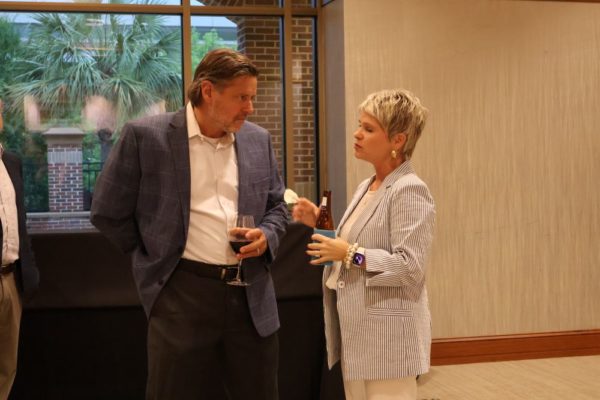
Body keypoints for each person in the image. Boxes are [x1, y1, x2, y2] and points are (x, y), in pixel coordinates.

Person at [90, 49, 288, 400]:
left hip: (251, 297)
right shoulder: (146, 137)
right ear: (208, 91)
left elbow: (277, 207)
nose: (250, 108)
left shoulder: (259, 140)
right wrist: (153, 254)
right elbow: (107, 211)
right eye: (242, 98)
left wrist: (267, 235)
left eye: (252, 98)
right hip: (181, 295)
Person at [293, 89, 435, 400]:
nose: (357, 134)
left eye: (369, 129)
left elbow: (409, 268)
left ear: (398, 140)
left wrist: (350, 254)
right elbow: (352, 245)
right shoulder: (367, 186)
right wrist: (321, 223)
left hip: (389, 340)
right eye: (360, 125)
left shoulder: (409, 190)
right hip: (358, 334)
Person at [0, 99, 39, 400]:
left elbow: (19, 221)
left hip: (12, 280)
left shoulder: (11, 162)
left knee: (6, 367)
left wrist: (29, 270)